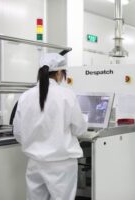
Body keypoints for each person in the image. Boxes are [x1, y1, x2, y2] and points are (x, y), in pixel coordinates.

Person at [13, 53, 87, 200]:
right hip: (62, 164)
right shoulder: (67, 95)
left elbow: (19, 133)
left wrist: (37, 144)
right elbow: (79, 129)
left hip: (35, 162)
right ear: (59, 73)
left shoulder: (25, 96)